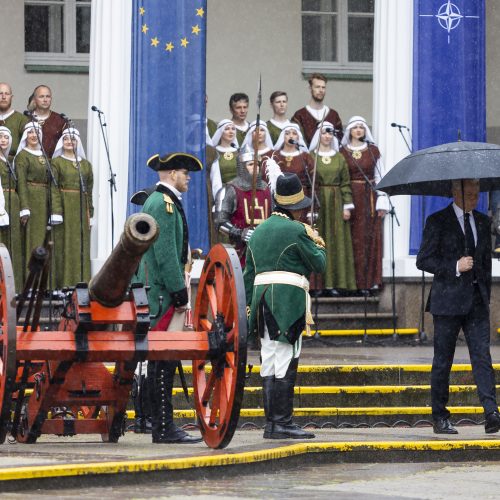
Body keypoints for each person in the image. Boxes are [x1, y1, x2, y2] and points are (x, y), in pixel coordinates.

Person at [244, 171, 326, 439]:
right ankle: (283, 422)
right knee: (286, 358)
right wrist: (317, 241)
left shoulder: (257, 233)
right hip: (287, 303)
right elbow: (319, 264)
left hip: (261, 303)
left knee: (269, 359)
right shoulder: (297, 230)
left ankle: (272, 423)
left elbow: (248, 275)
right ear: (295, 209)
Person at [416, 179, 500, 435]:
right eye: (471, 194)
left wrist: (484, 293)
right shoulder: (437, 221)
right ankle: (439, 416)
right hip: (447, 301)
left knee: (482, 357)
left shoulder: (483, 223)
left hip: (475, 301)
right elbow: (424, 260)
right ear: (456, 192)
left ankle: (491, 412)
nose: (475, 198)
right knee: (443, 361)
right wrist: (455, 265)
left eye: (477, 194)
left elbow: (485, 262)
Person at [136, 152, 203, 444]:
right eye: (184, 172)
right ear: (172, 173)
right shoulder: (164, 203)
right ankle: (163, 426)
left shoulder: (164, 201)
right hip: (162, 293)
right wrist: (178, 292)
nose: (188, 177)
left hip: (159, 290)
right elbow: (165, 254)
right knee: (164, 358)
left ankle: (158, 423)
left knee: (159, 360)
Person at [340, 116, 388, 294]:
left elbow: (380, 175)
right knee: (351, 241)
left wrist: (382, 200)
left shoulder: (373, 151)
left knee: (369, 239)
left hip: (369, 199)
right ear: (349, 131)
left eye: (361, 127)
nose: (359, 130)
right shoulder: (342, 152)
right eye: (355, 127)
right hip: (351, 199)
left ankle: (369, 282)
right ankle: (352, 283)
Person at [309, 122, 356, 296]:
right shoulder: (310, 156)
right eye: (324, 133)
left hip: (336, 203)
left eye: (330, 133)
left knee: (336, 242)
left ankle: (336, 283)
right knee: (318, 240)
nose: (327, 136)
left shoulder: (339, 158)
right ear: (318, 135)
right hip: (319, 202)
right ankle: (318, 284)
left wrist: (347, 205)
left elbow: (345, 182)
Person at [15, 121, 62, 281]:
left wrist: (54, 209)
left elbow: (51, 183)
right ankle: (31, 282)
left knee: (45, 241)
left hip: (45, 201)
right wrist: (24, 207)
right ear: (25, 136)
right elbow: (20, 182)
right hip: (32, 201)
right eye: (30, 133)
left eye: (36, 132)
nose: (33, 135)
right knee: (33, 241)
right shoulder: (22, 156)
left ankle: (45, 283)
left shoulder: (44, 156)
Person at [215, 144, 272, 266]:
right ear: (242, 167)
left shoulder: (267, 189)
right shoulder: (230, 189)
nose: (255, 167)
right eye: (251, 164)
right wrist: (239, 233)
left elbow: (274, 217)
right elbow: (220, 223)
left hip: (264, 249)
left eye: (257, 164)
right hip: (239, 251)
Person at [51, 128, 93, 288]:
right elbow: (53, 188)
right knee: (64, 243)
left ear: (77, 142)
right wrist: (56, 211)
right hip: (64, 207)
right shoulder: (56, 163)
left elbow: (89, 189)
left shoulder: (86, 165)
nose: (69, 142)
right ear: (62, 141)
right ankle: (63, 284)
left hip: (81, 208)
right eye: (66, 139)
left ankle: (81, 282)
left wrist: (91, 212)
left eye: (73, 139)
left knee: (80, 244)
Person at [270, 124, 316, 215]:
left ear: (298, 137)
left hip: (301, 198)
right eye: (287, 133)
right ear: (283, 137)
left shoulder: (305, 157)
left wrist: (312, 209)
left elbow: (313, 183)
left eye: (294, 133)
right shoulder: (276, 156)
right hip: (280, 199)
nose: (291, 136)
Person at [291, 73, 343, 146]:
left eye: (323, 87)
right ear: (310, 88)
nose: (321, 90)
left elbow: (339, 139)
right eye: (317, 87)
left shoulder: (333, 115)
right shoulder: (300, 115)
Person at [0, 126, 22, 290]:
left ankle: (10, 287)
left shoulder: (7, 160)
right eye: (0, 137)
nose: (3, 140)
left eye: (6, 137)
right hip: (2, 203)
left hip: (11, 203)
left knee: (10, 244)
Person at [27, 85, 66, 158]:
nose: (45, 100)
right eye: (41, 96)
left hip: (53, 165)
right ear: (35, 99)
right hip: (30, 164)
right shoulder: (26, 119)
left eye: (48, 96)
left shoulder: (60, 121)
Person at [0, 82, 28, 159]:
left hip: (13, 165)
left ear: (11, 97)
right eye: (0, 93)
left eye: (7, 94)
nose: (3, 97)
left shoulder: (22, 119)